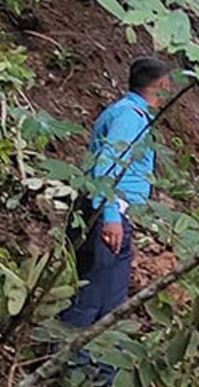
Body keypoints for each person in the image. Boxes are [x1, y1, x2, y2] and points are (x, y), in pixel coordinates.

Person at [59, 57, 170, 338]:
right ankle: (71, 368)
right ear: (163, 86)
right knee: (92, 297)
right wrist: (110, 217)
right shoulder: (130, 117)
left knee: (108, 302)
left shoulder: (130, 113)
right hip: (105, 215)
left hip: (109, 213)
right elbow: (109, 163)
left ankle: (94, 372)